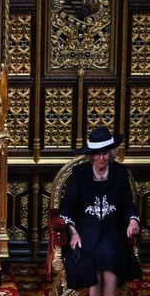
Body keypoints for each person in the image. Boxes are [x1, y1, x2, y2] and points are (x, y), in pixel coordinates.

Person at [59, 126, 142, 296]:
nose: (102, 158)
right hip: (85, 231)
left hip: (113, 230)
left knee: (110, 255)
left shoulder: (120, 173)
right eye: (97, 154)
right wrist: (73, 233)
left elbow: (128, 205)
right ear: (91, 155)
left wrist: (133, 221)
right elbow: (66, 208)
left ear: (111, 153)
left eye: (105, 153)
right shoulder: (80, 173)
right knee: (91, 257)